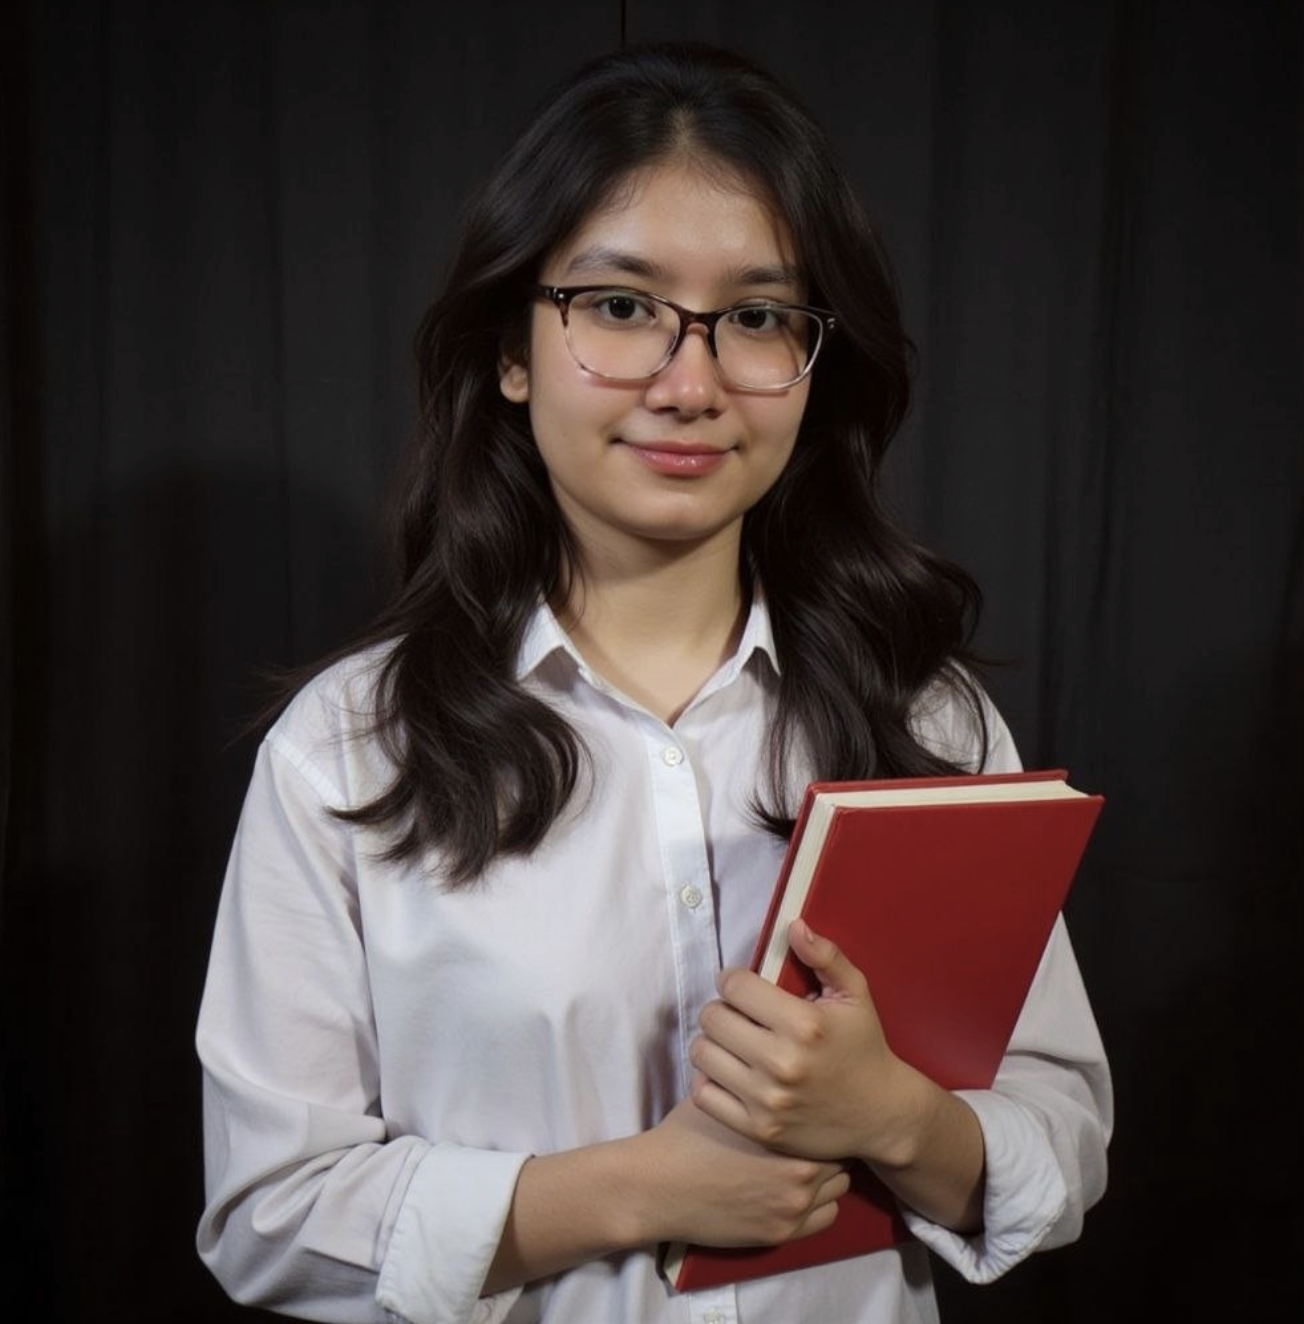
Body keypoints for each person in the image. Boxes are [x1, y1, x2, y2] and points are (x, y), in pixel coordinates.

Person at [196, 39, 1111, 1324]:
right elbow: (267, 1214)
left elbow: (1060, 1135)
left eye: (755, 317)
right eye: (620, 307)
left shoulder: (932, 722)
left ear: (812, 361)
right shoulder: (349, 749)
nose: (689, 384)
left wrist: (896, 1119)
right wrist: (645, 1187)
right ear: (511, 351)